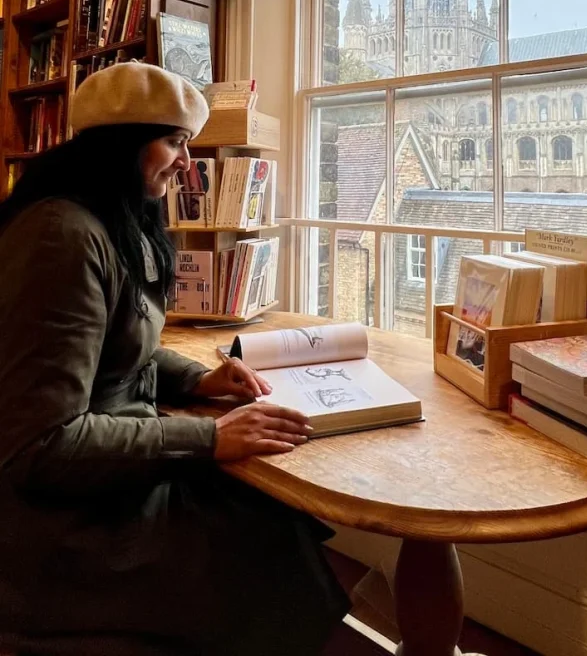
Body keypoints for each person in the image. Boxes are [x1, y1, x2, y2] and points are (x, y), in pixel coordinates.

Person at [0, 61, 349, 656]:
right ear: (122, 142)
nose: (188, 163)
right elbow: (42, 446)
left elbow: (121, 343)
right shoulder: (62, 237)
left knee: (274, 513)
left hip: (109, 471)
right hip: (61, 525)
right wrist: (208, 440)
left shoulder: (114, 221)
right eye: (175, 141)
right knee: (263, 541)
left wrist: (201, 378)